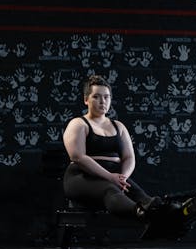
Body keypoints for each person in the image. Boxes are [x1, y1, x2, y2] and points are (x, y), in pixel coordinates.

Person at [62, 74, 161, 220]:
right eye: (96, 97)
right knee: (110, 188)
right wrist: (110, 177)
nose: (102, 101)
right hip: (81, 177)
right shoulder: (78, 124)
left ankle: (164, 214)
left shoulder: (118, 126)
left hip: (114, 176)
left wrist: (123, 177)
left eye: (106, 97)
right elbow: (77, 157)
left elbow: (129, 157)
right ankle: (140, 214)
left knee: (144, 197)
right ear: (86, 100)